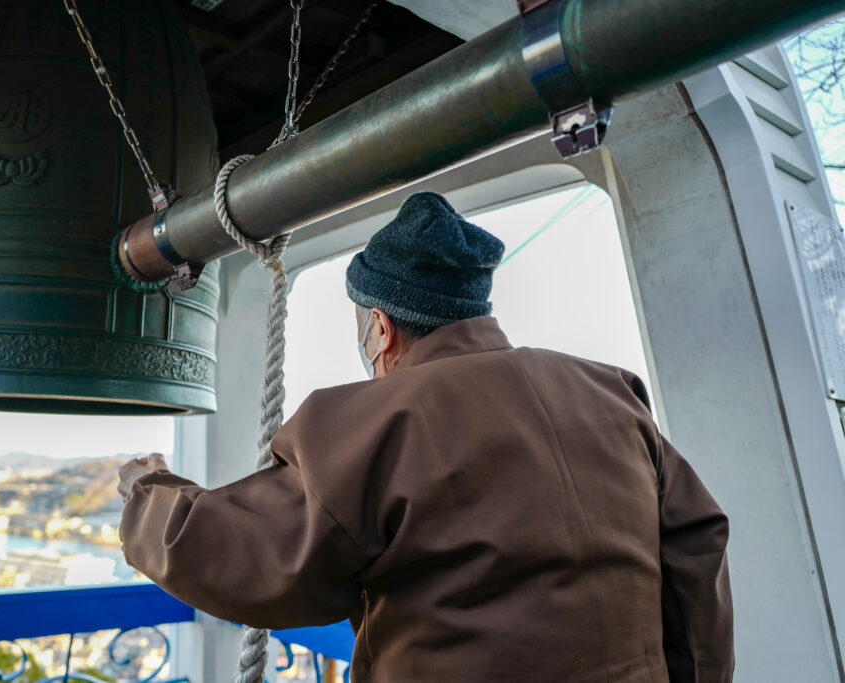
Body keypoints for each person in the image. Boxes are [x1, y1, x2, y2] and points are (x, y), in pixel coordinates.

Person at [117, 191, 734, 682]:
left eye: (364, 328)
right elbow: (696, 546)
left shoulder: (371, 421)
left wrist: (147, 489)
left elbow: (246, 555)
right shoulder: (613, 392)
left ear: (380, 328)